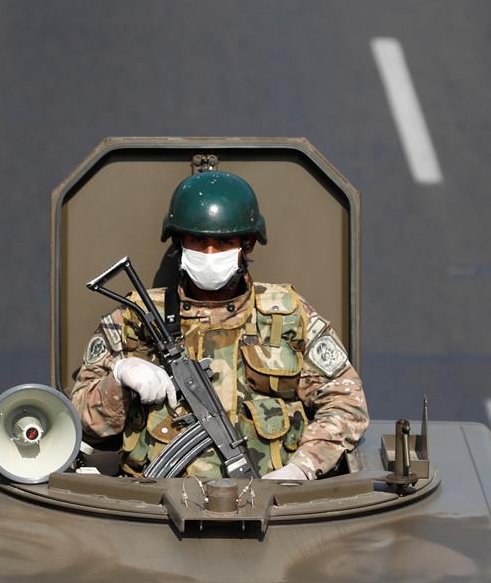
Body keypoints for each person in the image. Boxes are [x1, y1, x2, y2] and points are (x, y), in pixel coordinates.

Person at [71, 171, 368, 480]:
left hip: (270, 497)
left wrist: (302, 468)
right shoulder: (135, 320)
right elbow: (79, 420)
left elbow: (346, 404)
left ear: (246, 244)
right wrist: (118, 380)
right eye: (198, 241)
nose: (210, 254)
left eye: (224, 242)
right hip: (149, 500)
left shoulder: (288, 317)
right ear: (180, 243)